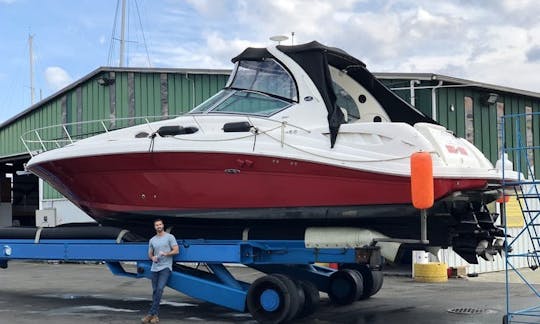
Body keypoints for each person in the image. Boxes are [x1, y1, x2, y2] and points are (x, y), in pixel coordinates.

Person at [141, 219, 179, 324]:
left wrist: (166, 254)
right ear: (155, 227)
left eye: (160, 224)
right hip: (154, 268)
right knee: (154, 291)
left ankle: (150, 314)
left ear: (163, 225)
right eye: (157, 225)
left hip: (165, 267)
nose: (159, 226)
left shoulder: (170, 237)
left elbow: (176, 250)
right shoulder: (152, 240)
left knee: (160, 289)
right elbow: (150, 253)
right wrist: (152, 257)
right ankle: (155, 316)